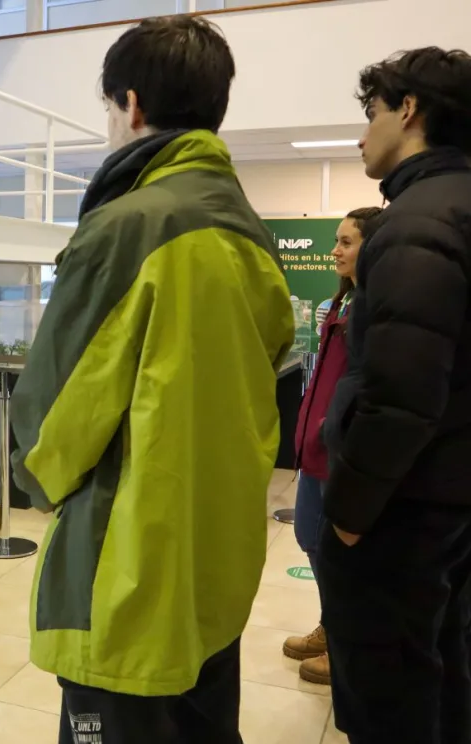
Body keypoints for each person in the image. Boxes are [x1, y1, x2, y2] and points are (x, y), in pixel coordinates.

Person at [9, 16, 295, 744]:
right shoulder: (252, 234)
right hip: (219, 554)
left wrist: (34, 480)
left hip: (127, 565)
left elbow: (55, 419)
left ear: (130, 104)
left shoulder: (126, 226)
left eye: (108, 107)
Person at [318, 47, 471, 744]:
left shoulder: (416, 224)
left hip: (404, 512)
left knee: (389, 691)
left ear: (408, 110)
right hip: (445, 500)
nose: (362, 136)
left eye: (371, 114)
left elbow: (401, 396)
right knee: (441, 670)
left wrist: (349, 516)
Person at [281, 207, 382, 686]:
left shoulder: (376, 308)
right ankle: (332, 624)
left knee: (340, 552)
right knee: (310, 538)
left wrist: (336, 428)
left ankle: (348, 644)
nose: (335, 251)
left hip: (341, 452)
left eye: (346, 242)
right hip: (315, 450)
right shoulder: (342, 302)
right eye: (336, 241)